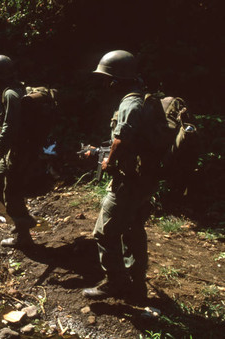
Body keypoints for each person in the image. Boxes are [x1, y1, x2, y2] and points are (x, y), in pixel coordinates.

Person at [82, 50, 158, 302]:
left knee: (104, 232)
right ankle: (137, 284)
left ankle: (115, 283)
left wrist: (108, 162)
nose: (105, 83)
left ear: (116, 79)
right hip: (145, 178)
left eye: (107, 78)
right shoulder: (145, 99)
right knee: (134, 228)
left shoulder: (129, 103)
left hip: (128, 181)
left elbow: (121, 139)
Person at [0, 55, 36, 248]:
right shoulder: (13, 91)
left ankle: (24, 235)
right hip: (15, 150)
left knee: (10, 190)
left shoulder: (10, 94)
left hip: (17, 152)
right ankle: (23, 221)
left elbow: (10, 127)